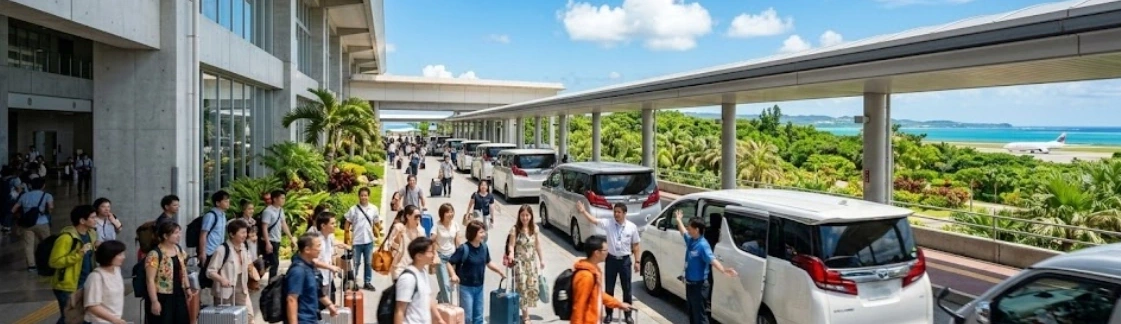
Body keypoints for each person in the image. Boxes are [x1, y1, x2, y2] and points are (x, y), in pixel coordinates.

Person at [576, 202, 641, 324]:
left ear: (624, 213)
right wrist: (584, 211)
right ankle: (609, 314)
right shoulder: (609, 223)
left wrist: (637, 261)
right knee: (609, 288)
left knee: (627, 289)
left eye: (619, 212)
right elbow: (594, 221)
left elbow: (636, 245)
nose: (616, 214)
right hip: (611, 260)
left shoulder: (631, 227)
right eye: (615, 212)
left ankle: (628, 315)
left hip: (625, 261)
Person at [673, 209, 738, 324]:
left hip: (699, 286)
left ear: (697, 230)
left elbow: (712, 259)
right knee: (692, 313)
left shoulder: (703, 245)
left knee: (700, 317)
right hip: (690, 284)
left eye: (690, 228)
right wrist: (678, 220)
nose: (688, 229)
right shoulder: (691, 240)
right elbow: (683, 232)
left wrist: (723, 270)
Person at [51, 204, 100, 324]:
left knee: (83, 316)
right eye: (93, 217)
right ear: (82, 220)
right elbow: (54, 262)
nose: (96, 220)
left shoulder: (92, 234)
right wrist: (78, 254)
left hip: (86, 282)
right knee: (69, 317)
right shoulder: (66, 238)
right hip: (68, 285)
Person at [570, 235, 632, 324]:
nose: (608, 253)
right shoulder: (586, 277)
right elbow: (578, 307)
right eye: (605, 250)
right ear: (597, 253)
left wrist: (618, 304)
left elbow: (598, 294)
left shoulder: (594, 270)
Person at [207, 219, 258, 322]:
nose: (245, 235)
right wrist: (222, 279)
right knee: (227, 319)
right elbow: (210, 271)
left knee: (248, 316)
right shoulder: (222, 250)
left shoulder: (243, 247)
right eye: (242, 232)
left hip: (241, 288)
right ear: (232, 234)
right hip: (225, 291)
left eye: (246, 232)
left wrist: (255, 276)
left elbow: (249, 264)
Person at [146, 222, 194, 324]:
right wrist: (154, 301)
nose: (179, 236)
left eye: (179, 232)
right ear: (165, 236)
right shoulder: (154, 254)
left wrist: (188, 288)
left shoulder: (178, 249)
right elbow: (150, 280)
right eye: (175, 233)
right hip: (162, 295)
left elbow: (183, 269)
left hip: (178, 293)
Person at [285, 233, 339, 324]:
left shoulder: (309, 266)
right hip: (303, 320)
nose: (320, 249)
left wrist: (330, 305)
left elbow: (317, 290)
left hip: (312, 318)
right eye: (318, 246)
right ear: (307, 249)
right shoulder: (298, 270)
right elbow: (291, 299)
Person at [394, 237, 448, 324]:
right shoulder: (408, 278)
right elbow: (399, 310)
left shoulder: (423, 272)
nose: (433, 255)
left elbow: (428, 298)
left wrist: (439, 319)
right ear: (419, 256)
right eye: (430, 252)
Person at [506, 205, 544, 324]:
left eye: (527, 215)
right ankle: (525, 316)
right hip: (520, 264)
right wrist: (511, 254)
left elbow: (537, 245)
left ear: (531, 216)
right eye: (522, 215)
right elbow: (511, 245)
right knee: (522, 288)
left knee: (530, 288)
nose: (525, 218)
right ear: (519, 216)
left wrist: (541, 259)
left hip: (531, 264)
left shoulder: (535, 229)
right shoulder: (515, 229)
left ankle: (523, 311)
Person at [343, 187, 380, 291]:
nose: (364, 197)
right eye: (362, 195)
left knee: (368, 262)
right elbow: (347, 222)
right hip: (357, 241)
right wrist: (346, 235)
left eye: (365, 195)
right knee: (356, 263)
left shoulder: (374, 208)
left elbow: (377, 221)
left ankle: (367, 282)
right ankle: (354, 282)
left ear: (368, 196)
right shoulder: (353, 209)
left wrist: (377, 231)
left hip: (369, 240)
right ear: (359, 196)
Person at [13, 177, 53, 272]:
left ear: (31, 186)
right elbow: (50, 208)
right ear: (43, 186)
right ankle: (47, 263)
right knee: (46, 243)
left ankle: (31, 266)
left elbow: (13, 209)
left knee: (28, 245)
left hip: (27, 224)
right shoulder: (47, 195)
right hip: (42, 223)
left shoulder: (24, 196)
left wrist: (20, 217)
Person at [309, 212, 350, 302]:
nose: (335, 225)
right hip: (320, 279)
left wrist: (344, 245)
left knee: (332, 301)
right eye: (332, 223)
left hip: (328, 277)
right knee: (324, 306)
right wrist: (331, 267)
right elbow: (314, 261)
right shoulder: (318, 242)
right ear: (323, 226)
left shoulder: (328, 238)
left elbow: (332, 248)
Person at [84, 240, 128, 324]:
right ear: (109, 256)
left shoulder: (117, 270)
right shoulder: (96, 277)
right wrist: (114, 320)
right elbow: (92, 306)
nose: (123, 257)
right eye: (119, 254)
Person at [199, 190, 231, 305]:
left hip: (218, 252)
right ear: (217, 203)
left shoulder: (223, 215)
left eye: (228, 201)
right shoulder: (211, 216)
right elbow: (203, 234)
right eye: (225, 201)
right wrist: (202, 252)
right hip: (209, 252)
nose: (228, 203)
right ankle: (202, 304)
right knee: (206, 279)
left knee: (215, 279)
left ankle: (215, 304)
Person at [430, 203, 463, 304]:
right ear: (442, 214)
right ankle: (448, 307)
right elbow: (432, 240)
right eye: (448, 212)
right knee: (445, 283)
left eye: (452, 211)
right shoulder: (437, 225)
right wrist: (434, 254)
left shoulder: (455, 224)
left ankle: (441, 297)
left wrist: (461, 254)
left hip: (453, 257)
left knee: (452, 283)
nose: (450, 214)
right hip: (441, 258)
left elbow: (457, 240)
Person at [262, 190, 296, 279]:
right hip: (271, 240)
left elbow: (283, 224)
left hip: (277, 240)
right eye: (282, 198)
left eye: (284, 198)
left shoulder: (281, 210)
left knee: (272, 263)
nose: (284, 200)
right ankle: (271, 284)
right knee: (274, 263)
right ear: (275, 199)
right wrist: (267, 243)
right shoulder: (268, 211)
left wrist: (290, 237)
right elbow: (264, 227)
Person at [389, 206, 426, 280]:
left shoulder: (421, 231)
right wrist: (398, 237)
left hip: (416, 268)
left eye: (419, 216)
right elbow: (390, 246)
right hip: (400, 267)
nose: (418, 218)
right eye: (416, 216)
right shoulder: (399, 228)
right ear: (408, 216)